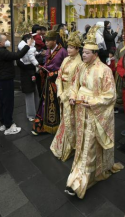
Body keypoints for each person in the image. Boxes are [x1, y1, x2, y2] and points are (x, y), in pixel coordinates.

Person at [65, 26, 123, 198]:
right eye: (83, 52)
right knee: (82, 143)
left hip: (94, 113)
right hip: (80, 110)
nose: (83, 55)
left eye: (87, 53)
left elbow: (110, 95)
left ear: (96, 54)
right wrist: (72, 96)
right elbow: (75, 85)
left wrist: (91, 102)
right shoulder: (81, 67)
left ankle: (79, 181)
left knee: (89, 145)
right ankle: (85, 172)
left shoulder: (104, 70)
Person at [0, 34, 32, 136]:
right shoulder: (1, 52)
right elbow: (17, 56)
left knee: (3, 102)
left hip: (0, 79)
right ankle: (8, 126)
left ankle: (3, 122)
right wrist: (27, 45)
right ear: (0, 43)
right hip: (5, 80)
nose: (7, 41)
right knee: (8, 102)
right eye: (5, 40)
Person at [51, 32, 83, 161]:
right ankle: (62, 145)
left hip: (71, 95)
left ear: (77, 49)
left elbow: (77, 83)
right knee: (64, 120)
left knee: (70, 121)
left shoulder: (79, 64)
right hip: (63, 91)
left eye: (72, 47)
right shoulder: (65, 59)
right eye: (68, 47)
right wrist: (60, 91)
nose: (68, 50)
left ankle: (70, 147)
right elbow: (59, 75)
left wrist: (67, 94)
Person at [33, 30, 68, 135]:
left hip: (57, 82)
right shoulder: (48, 50)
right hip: (47, 80)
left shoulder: (62, 51)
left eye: (48, 41)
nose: (46, 43)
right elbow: (46, 63)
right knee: (45, 102)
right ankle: (43, 125)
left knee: (55, 103)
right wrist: (42, 68)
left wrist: (56, 73)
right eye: (45, 41)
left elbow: (66, 68)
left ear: (54, 41)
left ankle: (57, 124)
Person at [17, 34, 40, 122]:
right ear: (27, 40)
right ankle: (31, 114)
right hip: (27, 75)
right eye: (31, 40)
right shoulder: (22, 50)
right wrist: (34, 65)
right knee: (29, 94)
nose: (33, 41)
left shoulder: (29, 49)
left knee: (35, 92)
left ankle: (37, 111)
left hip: (32, 73)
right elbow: (20, 63)